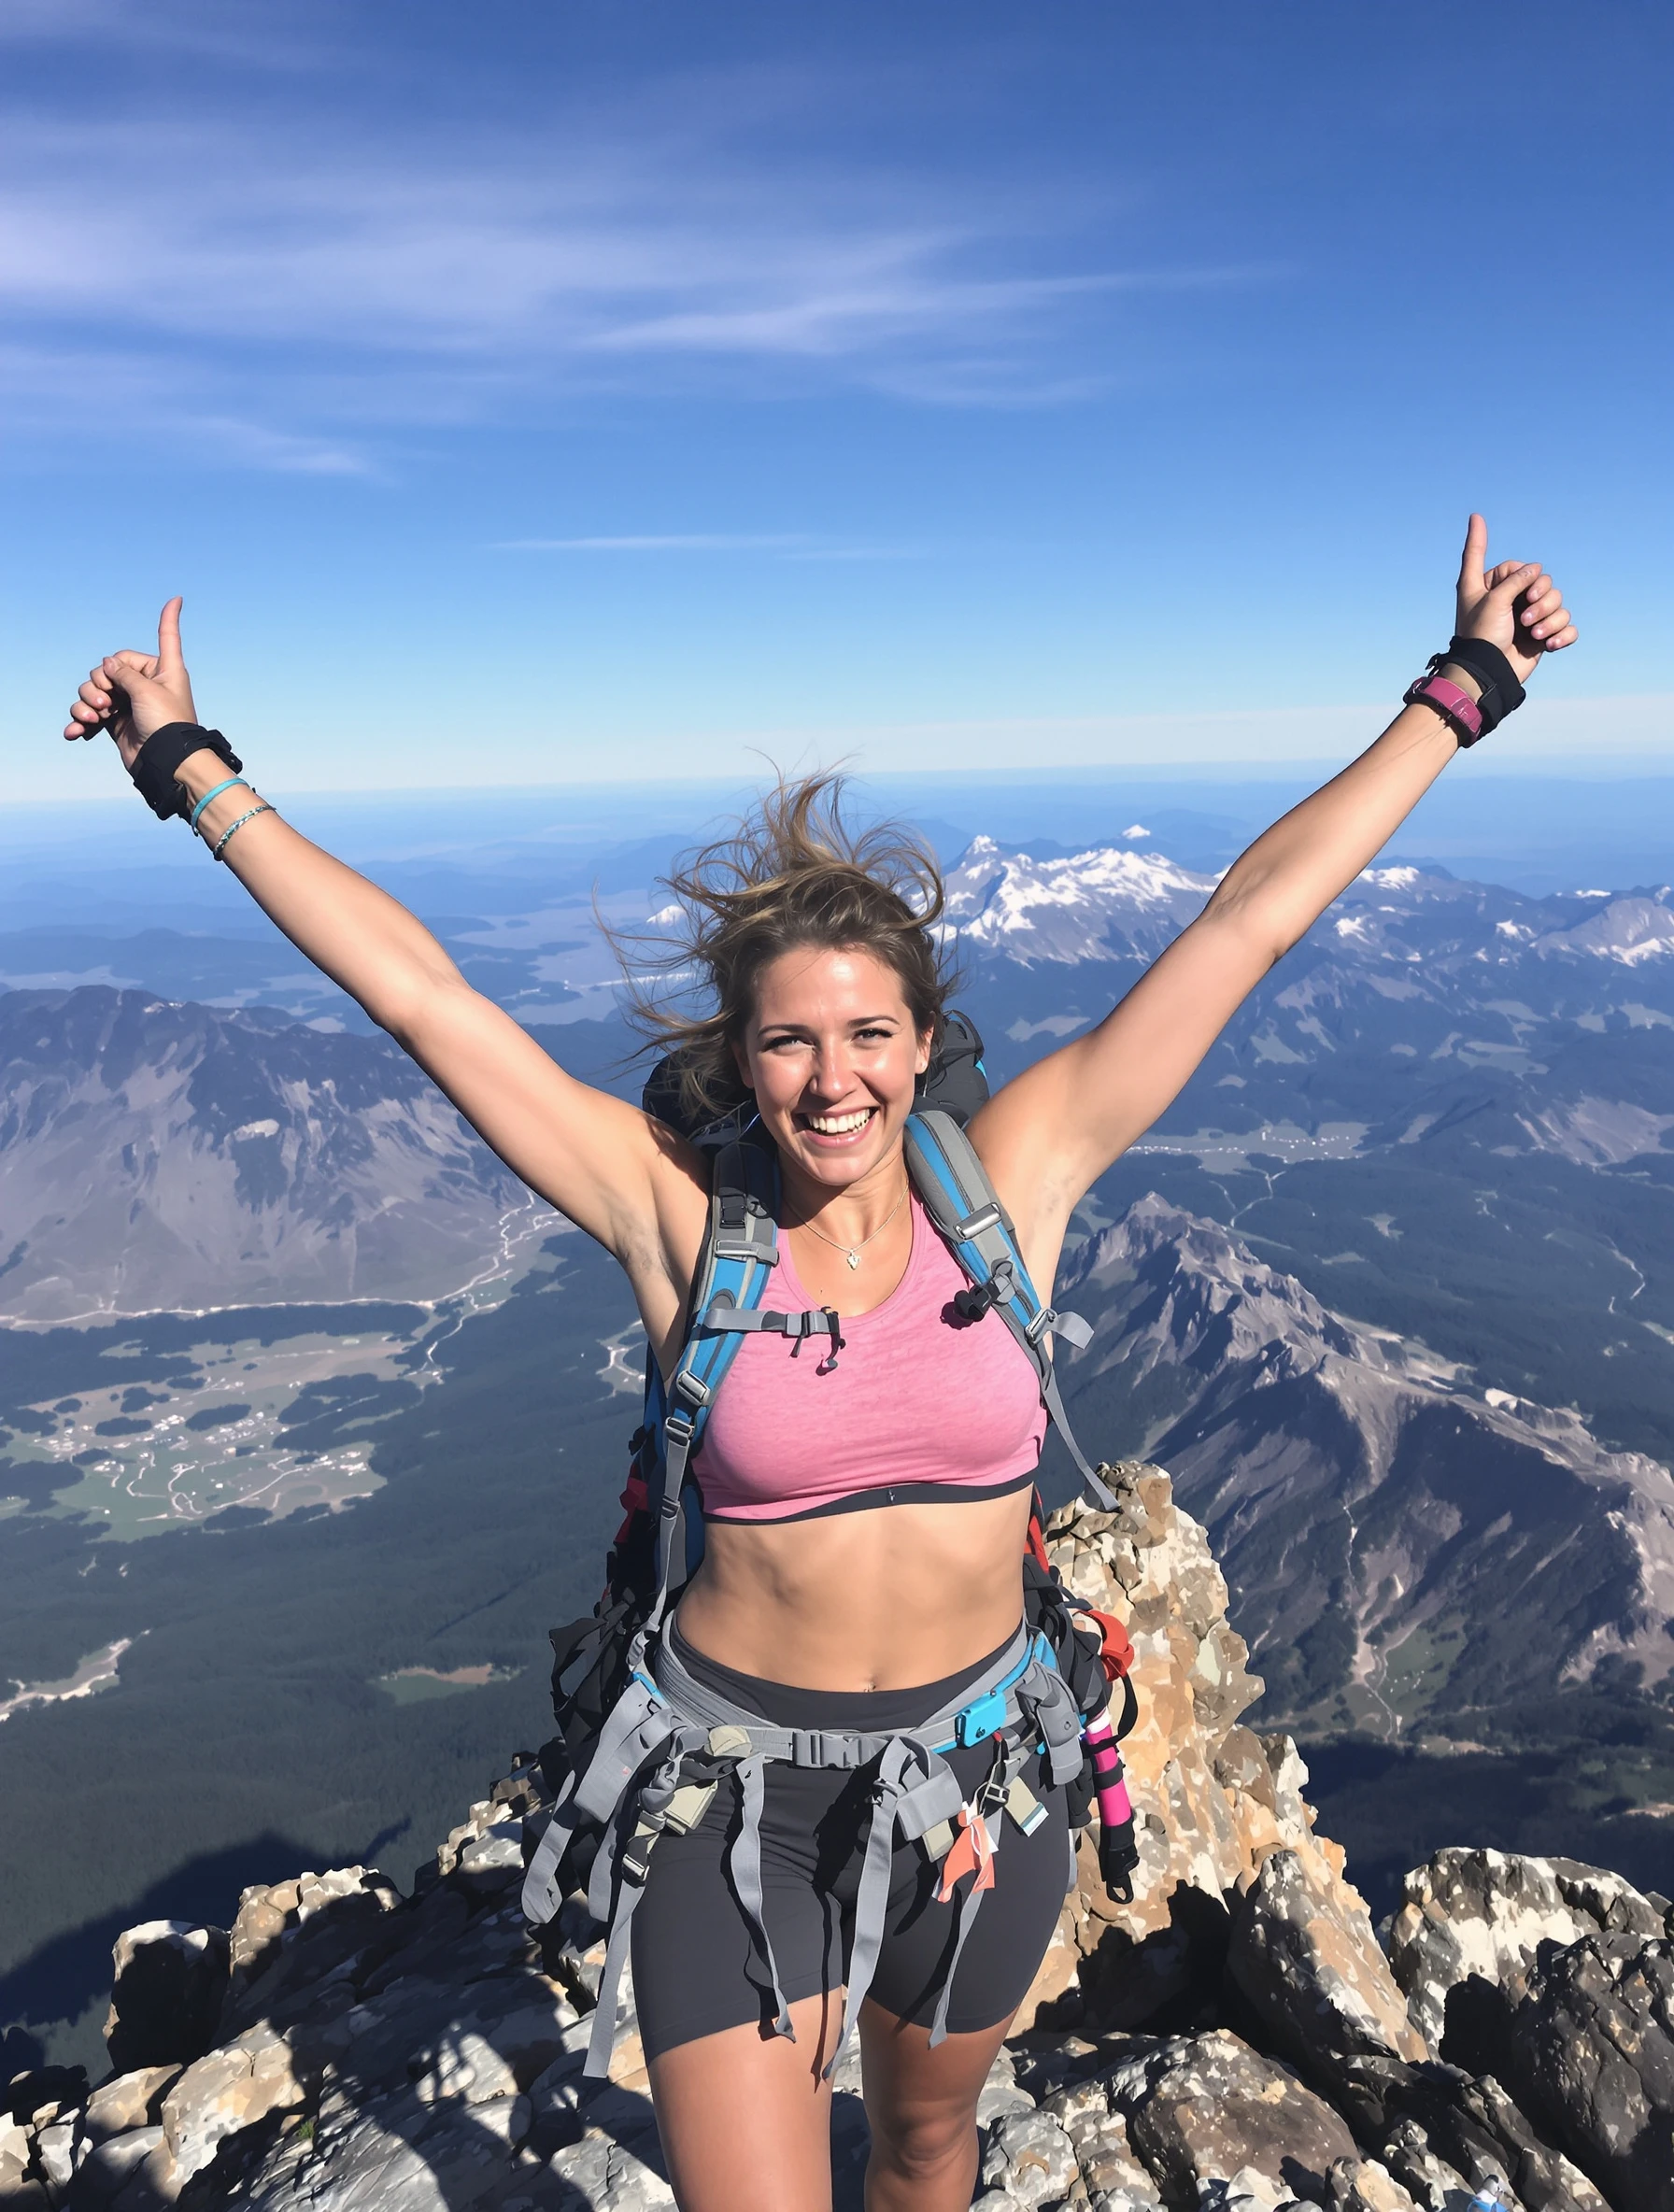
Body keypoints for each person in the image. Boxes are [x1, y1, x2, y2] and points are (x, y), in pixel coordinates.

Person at [63, 516, 1574, 2212]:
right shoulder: (674, 1219)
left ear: (923, 1045)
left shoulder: (1014, 1182)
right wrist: (189, 765)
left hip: (985, 1781)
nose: (833, 1079)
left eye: (868, 1035)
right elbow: (421, 997)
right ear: (742, 1056)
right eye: (788, 1040)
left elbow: (1248, 923)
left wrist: (1467, 686)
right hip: (725, 1800)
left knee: (926, 2148)